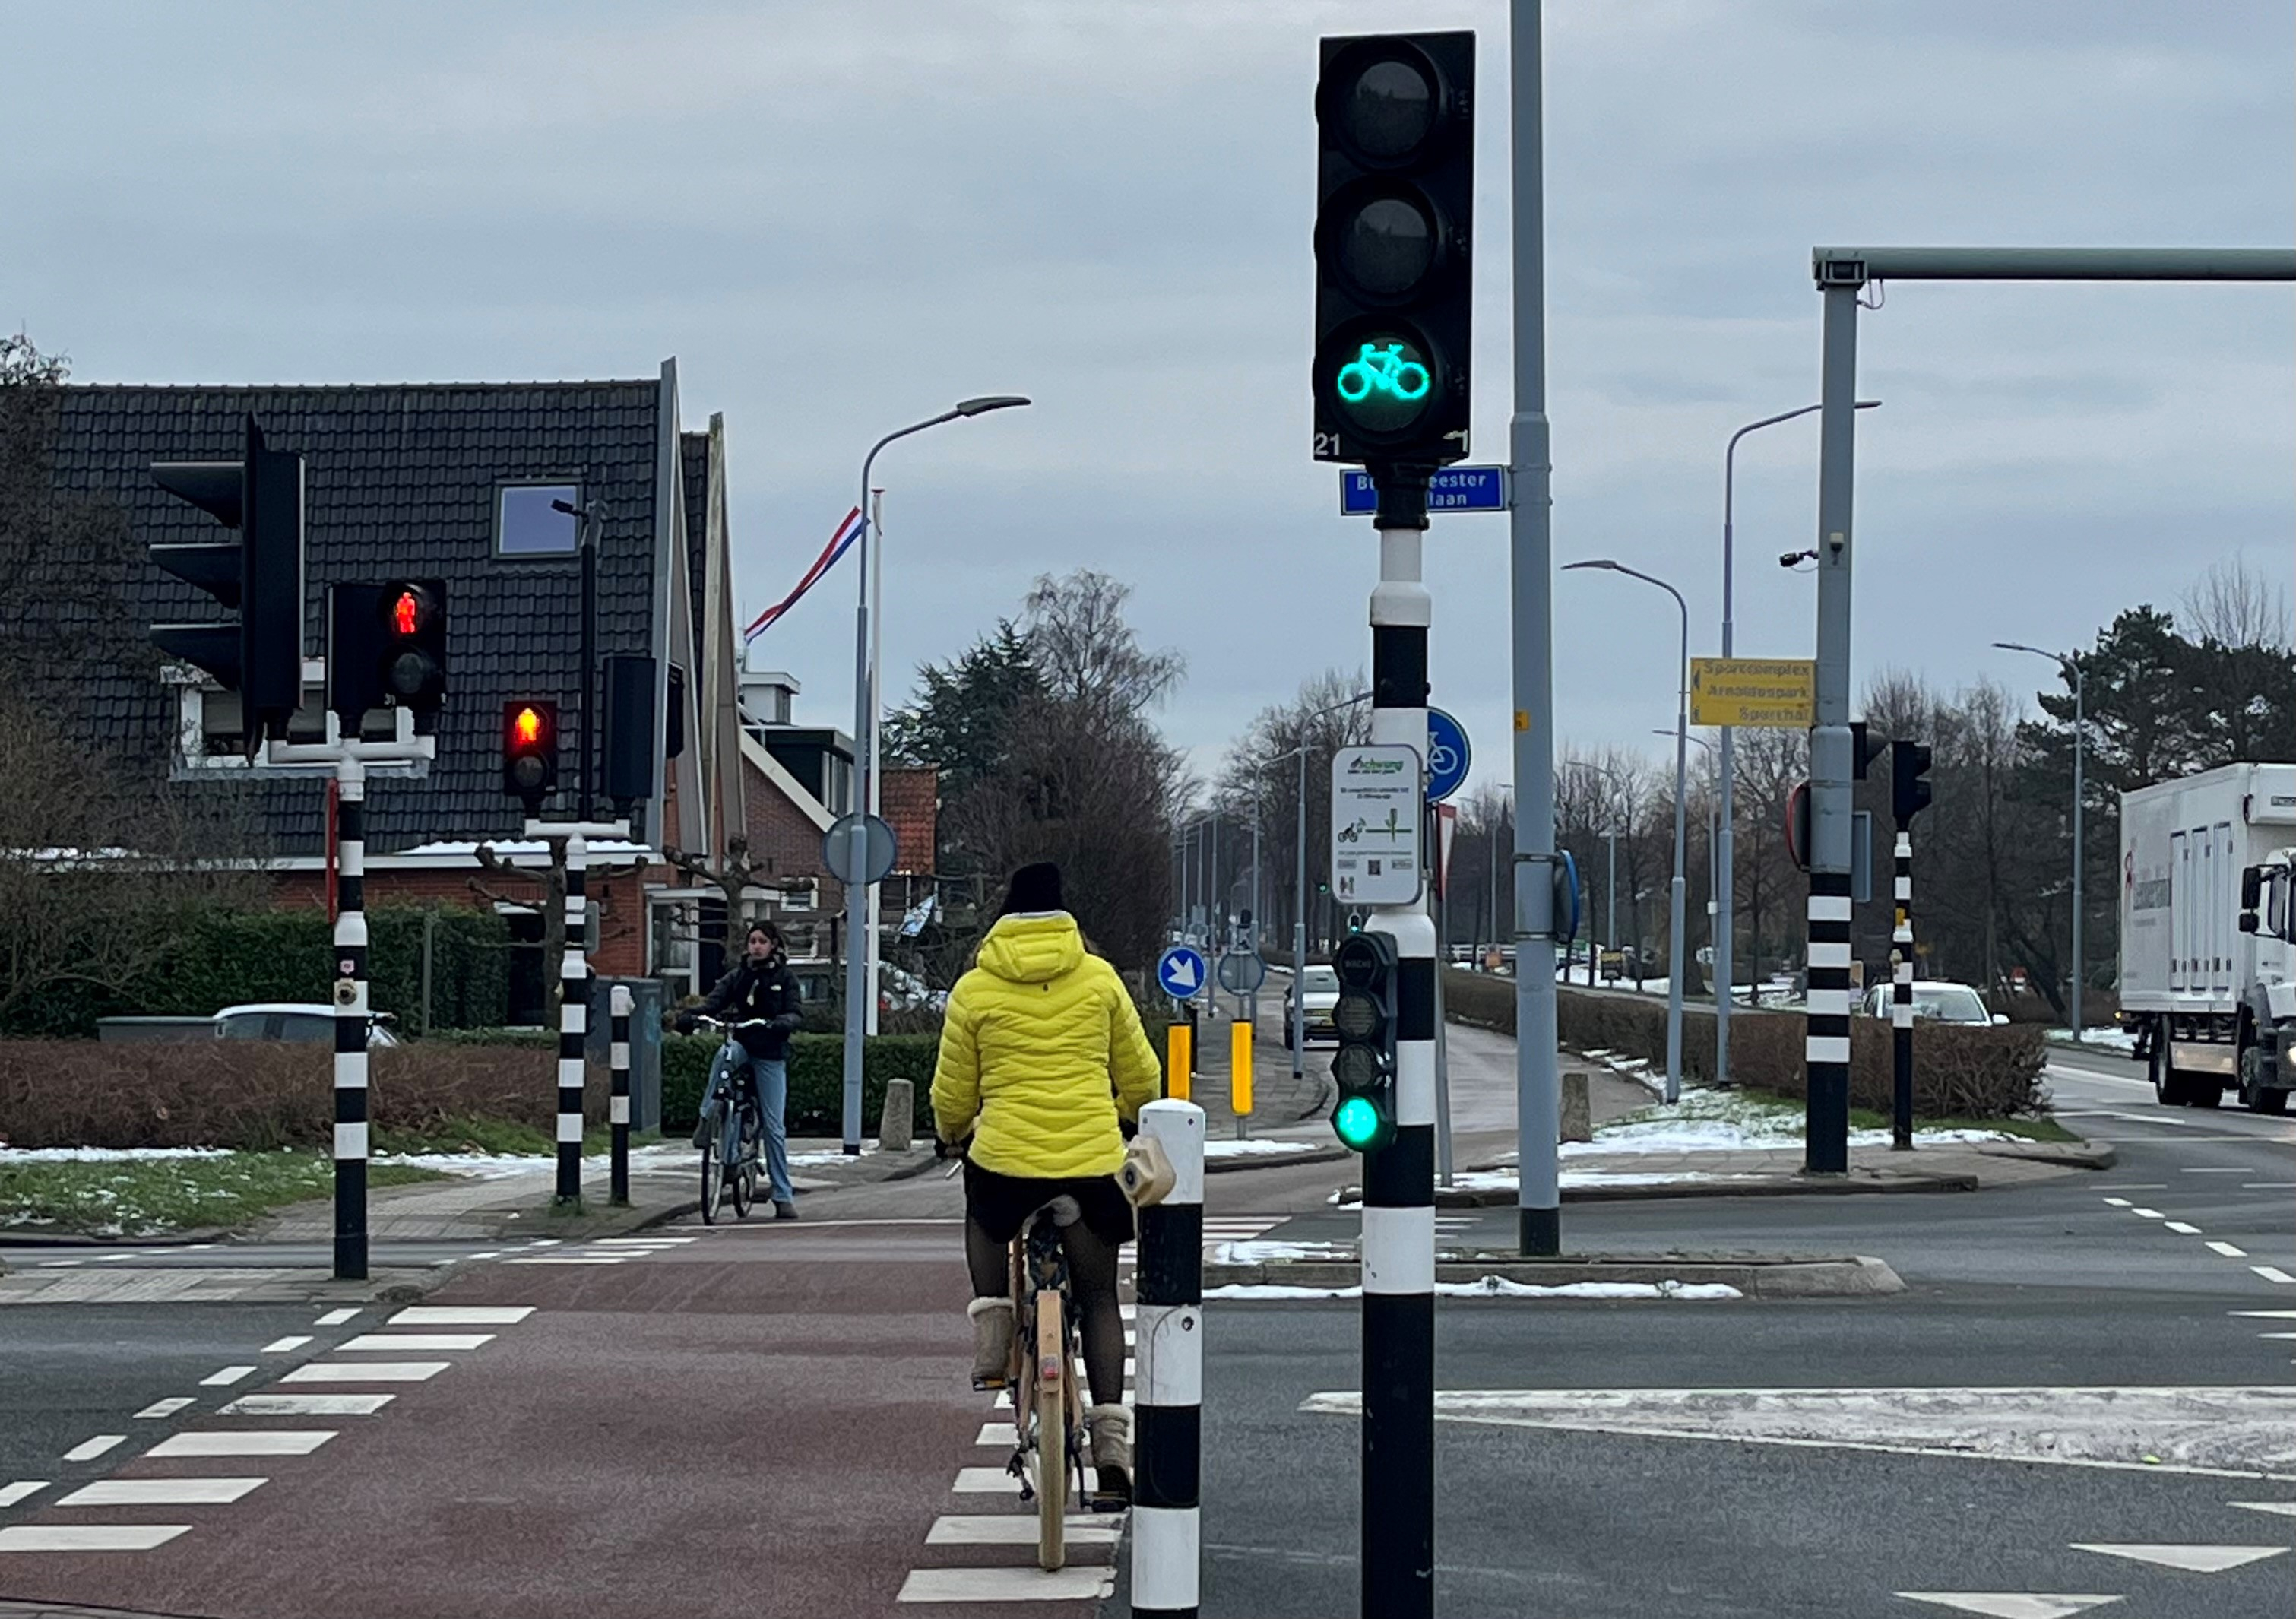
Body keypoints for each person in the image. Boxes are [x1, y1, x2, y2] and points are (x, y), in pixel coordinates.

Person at [931, 860, 1161, 1505]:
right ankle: (1112, 1440)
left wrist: (952, 1132)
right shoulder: (1099, 979)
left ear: (1005, 916)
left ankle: (994, 1334)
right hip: (1089, 1164)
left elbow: (954, 1090)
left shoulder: (976, 988)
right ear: (1066, 919)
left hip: (1006, 1163)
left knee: (981, 1214)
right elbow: (1140, 1073)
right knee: (1098, 1297)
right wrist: (1132, 1112)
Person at [680, 922, 803, 1219]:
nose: (756, 946)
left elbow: (796, 1011)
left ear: (773, 945)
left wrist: (783, 1023)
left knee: (774, 1127)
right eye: (752, 941)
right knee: (724, 1054)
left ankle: (783, 1196)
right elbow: (714, 1002)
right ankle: (708, 1115)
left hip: (770, 1052)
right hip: (743, 1044)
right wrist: (691, 1016)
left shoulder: (785, 978)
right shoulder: (738, 976)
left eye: (762, 941)